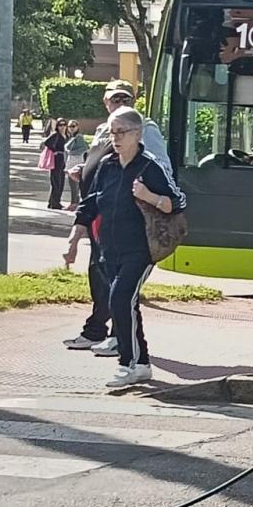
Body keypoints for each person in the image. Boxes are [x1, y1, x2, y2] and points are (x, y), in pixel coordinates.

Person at [63, 107, 186, 388]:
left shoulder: (149, 167)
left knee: (120, 300)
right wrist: (73, 240)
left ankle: (128, 363)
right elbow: (91, 203)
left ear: (137, 134)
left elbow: (177, 201)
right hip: (109, 249)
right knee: (127, 304)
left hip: (140, 250)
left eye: (121, 132)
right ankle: (141, 364)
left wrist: (149, 196)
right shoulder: (107, 165)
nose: (115, 138)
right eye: (111, 132)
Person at [62, 82, 166, 356]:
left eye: (125, 97)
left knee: (119, 287)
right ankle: (99, 331)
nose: (119, 102)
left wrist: (145, 193)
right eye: (114, 98)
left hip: (130, 220)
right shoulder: (103, 130)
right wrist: (84, 170)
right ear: (105, 102)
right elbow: (105, 167)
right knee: (101, 275)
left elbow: (159, 169)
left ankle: (124, 345)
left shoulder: (145, 128)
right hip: (102, 215)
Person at [40, 118, 69, 209]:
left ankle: (53, 202)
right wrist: (54, 151)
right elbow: (46, 142)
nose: (62, 127)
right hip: (56, 160)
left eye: (64, 125)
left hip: (64, 160)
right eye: (60, 125)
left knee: (61, 182)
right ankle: (55, 203)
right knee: (56, 182)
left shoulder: (67, 136)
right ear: (57, 126)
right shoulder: (55, 135)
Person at [63, 120, 88, 209]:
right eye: (70, 126)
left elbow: (84, 148)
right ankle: (74, 202)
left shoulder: (78, 137)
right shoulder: (72, 137)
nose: (71, 128)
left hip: (76, 162)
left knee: (74, 184)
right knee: (72, 184)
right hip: (71, 162)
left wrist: (72, 152)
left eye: (73, 126)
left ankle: (74, 203)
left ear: (77, 127)